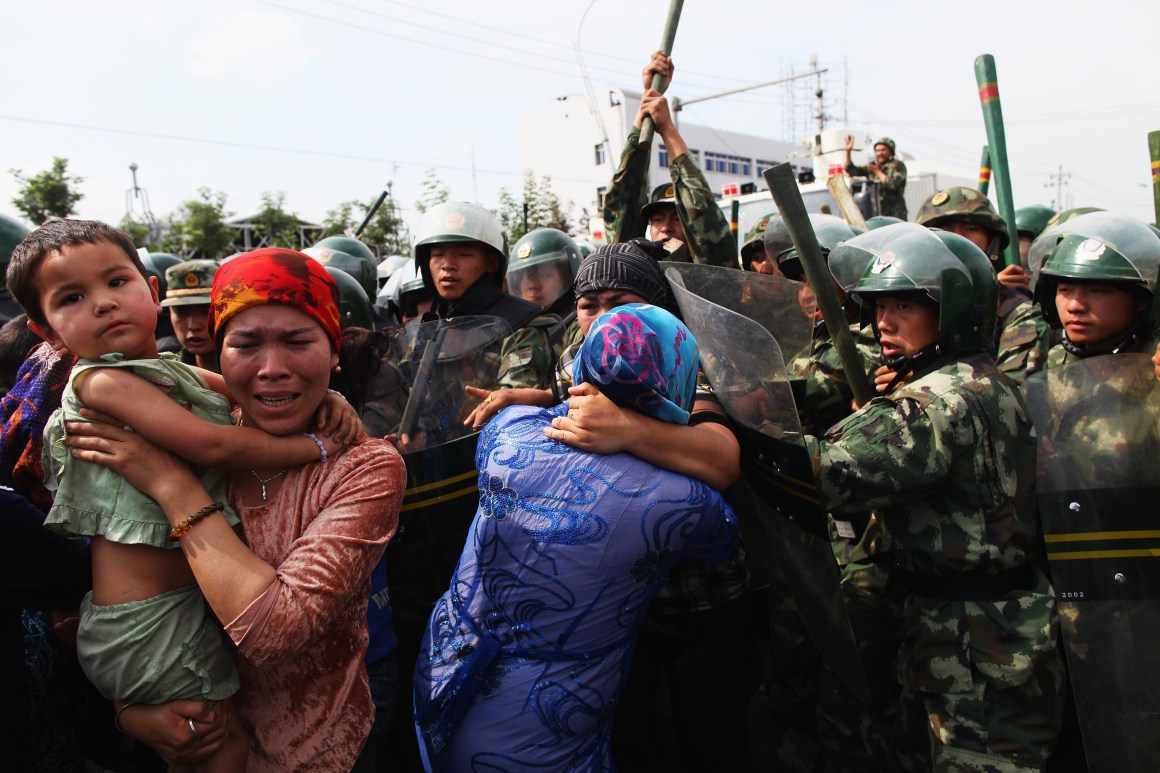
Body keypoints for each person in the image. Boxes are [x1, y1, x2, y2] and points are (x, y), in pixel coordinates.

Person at [6, 225, 365, 771]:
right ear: (44, 330)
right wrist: (312, 444)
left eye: (115, 281)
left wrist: (328, 395)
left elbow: (250, 392)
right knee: (219, 750)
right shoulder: (101, 383)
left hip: (179, 614)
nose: (103, 303)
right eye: (72, 298)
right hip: (149, 621)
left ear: (150, 291)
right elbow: (214, 443)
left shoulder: (171, 373)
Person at [413, 303, 739, 771]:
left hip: (444, 666)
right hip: (543, 722)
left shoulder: (508, 431)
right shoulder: (680, 500)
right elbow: (722, 535)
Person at [799, 223, 1063, 770]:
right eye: (878, 305)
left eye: (905, 306)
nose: (883, 322)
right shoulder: (967, 378)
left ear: (958, 311)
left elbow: (820, 472)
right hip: (953, 624)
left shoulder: (940, 400)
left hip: (977, 641)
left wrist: (705, 438)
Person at [602, 52, 738, 268]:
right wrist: (647, 101)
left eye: (677, 218)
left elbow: (703, 218)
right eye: (657, 219)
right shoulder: (634, 273)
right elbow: (621, 205)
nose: (666, 228)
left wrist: (666, 127)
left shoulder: (711, 276)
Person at [413, 201, 556, 391]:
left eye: (464, 254)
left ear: (492, 263)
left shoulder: (520, 326)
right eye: (438, 254)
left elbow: (516, 401)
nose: (447, 264)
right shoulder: (428, 330)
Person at [916, 187, 1051, 384]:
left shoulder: (1017, 311)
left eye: (971, 229)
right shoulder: (909, 302)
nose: (958, 238)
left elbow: (1012, 391)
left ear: (992, 242)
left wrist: (918, 381)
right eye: (945, 230)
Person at [162, 260, 220, 372]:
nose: (193, 326)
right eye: (181, 313)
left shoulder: (253, 372)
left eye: (206, 312)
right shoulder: (167, 376)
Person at [844, 135, 908, 220]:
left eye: (883, 150)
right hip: (875, 215)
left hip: (894, 215)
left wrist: (877, 171)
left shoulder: (897, 166)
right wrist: (848, 152)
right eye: (877, 150)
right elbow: (851, 170)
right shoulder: (873, 166)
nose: (880, 153)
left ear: (890, 151)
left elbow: (892, 184)